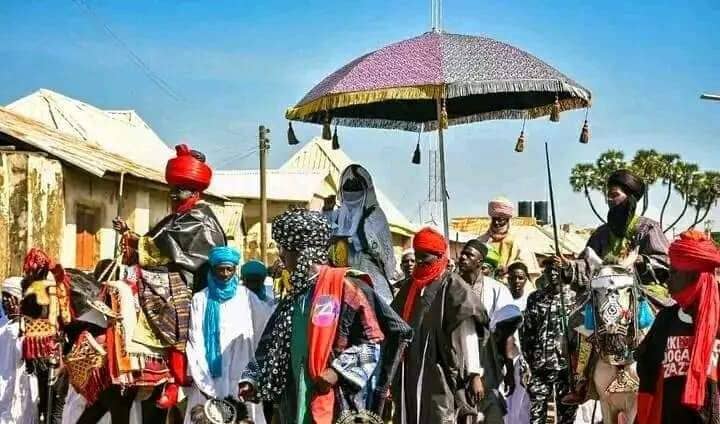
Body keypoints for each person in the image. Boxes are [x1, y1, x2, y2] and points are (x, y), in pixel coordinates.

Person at [239, 208, 410, 424]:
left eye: (285, 248)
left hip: (332, 399)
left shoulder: (346, 287)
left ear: (304, 251)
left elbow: (372, 343)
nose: (280, 255)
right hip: (292, 400)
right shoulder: (294, 295)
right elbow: (269, 345)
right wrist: (251, 378)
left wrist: (336, 372)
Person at [112, 144, 226, 412]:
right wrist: (129, 235)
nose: (173, 196)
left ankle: (175, 379)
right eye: (172, 192)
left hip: (193, 283)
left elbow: (165, 249)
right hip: (170, 274)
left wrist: (137, 244)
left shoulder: (201, 219)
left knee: (171, 304)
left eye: (179, 192)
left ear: (194, 192)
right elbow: (154, 241)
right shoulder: (178, 216)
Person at [557, 169, 671, 403]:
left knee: (669, 325)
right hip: (603, 295)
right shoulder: (600, 234)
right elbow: (586, 263)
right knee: (575, 323)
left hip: (643, 293)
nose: (610, 200)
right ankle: (580, 381)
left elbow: (665, 262)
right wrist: (569, 268)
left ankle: (669, 378)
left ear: (629, 197)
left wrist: (640, 261)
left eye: (614, 195)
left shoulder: (648, 228)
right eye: (608, 196)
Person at [391, 227, 489, 424]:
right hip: (409, 369)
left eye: (424, 257)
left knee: (438, 415)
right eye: (416, 256)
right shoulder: (410, 286)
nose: (419, 262)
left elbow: (467, 332)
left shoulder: (453, 286)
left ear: (437, 256)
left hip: (440, 370)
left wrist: (474, 373)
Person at [636, 230, 720, 423]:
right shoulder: (666, 318)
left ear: (694, 277)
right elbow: (646, 368)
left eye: (674, 272)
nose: (668, 280)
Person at [185, 247, 272, 424]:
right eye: (220, 269)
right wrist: (204, 381)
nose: (225, 274)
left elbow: (266, 326)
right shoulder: (200, 299)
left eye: (229, 269)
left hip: (241, 373)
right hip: (208, 375)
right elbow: (195, 340)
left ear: (235, 270)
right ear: (213, 269)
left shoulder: (247, 297)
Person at [325, 164, 396, 303]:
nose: (351, 191)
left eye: (355, 187)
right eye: (348, 187)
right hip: (342, 286)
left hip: (373, 286)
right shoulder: (336, 216)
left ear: (366, 189)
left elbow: (386, 259)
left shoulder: (375, 215)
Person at [20, 248, 73, 424]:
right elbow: (65, 317)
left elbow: (26, 323)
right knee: (53, 404)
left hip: (37, 350)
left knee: (47, 401)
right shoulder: (53, 288)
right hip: (49, 348)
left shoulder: (28, 287)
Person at [522, 260, 578, 424]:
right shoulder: (535, 298)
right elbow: (527, 333)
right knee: (537, 415)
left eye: (556, 269)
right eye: (548, 270)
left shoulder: (575, 299)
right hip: (540, 367)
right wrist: (530, 362)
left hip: (566, 369)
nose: (552, 273)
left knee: (566, 415)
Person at [0, 277, 39, 424]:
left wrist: (18, 320)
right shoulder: (2, 324)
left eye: (8, 297)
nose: (4, 301)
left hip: (21, 388)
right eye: (3, 296)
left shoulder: (30, 325)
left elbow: (21, 352)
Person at [458, 239, 514, 320]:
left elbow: (507, 321)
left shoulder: (498, 289)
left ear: (480, 262)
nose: (463, 257)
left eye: (469, 255)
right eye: (462, 253)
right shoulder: (450, 284)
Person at [478, 197, 533, 278]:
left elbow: (527, 266)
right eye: (494, 219)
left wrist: (509, 268)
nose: (496, 223)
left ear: (507, 220)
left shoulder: (518, 241)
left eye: (500, 220)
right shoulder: (481, 240)